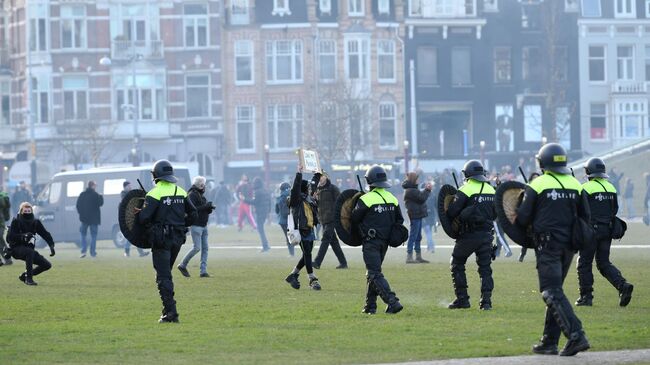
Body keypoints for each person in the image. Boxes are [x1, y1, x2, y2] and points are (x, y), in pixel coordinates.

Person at [516, 143, 590, 356]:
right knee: (556, 291)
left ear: (542, 162)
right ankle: (549, 342)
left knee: (550, 291)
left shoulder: (537, 184)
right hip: (569, 247)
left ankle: (576, 335)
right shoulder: (576, 184)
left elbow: (522, 218)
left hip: (547, 245)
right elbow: (586, 217)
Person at [137, 160, 197, 323]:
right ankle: (167, 310)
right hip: (177, 240)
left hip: (161, 241)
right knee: (166, 274)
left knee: (163, 277)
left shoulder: (154, 194)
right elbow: (194, 215)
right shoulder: (181, 191)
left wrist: (141, 209)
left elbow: (143, 218)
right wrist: (181, 223)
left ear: (156, 175)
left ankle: (171, 313)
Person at [575, 158, 634, 307]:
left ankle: (586, 297)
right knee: (603, 263)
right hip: (607, 230)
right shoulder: (611, 187)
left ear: (588, 171)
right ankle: (623, 285)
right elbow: (614, 210)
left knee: (584, 263)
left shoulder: (586, 188)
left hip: (591, 231)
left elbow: (580, 210)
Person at [351, 165, 404, 314]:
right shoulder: (392, 198)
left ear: (369, 181)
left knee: (373, 274)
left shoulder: (366, 199)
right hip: (385, 243)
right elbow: (399, 220)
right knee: (374, 272)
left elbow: (354, 218)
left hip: (371, 242)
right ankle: (370, 306)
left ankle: (392, 301)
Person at [445, 160, 496, 310]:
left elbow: (452, 212)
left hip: (468, 235)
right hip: (487, 235)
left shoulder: (465, 189)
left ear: (467, 174)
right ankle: (486, 302)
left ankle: (463, 300)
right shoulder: (491, 190)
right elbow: (495, 214)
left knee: (457, 263)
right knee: (485, 268)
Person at [284, 165, 321, 291]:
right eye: (308, 187)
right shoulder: (295, 199)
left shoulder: (308, 198)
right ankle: (312, 279)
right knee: (308, 254)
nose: (310, 188)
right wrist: (299, 174)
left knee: (307, 254)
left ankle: (293, 275)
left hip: (309, 229)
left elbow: (314, 185)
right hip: (301, 230)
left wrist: (318, 174)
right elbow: (295, 188)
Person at [6, 202, 55, 285]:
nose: (27, 213)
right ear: (21, 211)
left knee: (47, 265)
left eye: (29, 211)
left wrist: (51, 246)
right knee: (29, 252)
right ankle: (29, 279)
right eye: (25, 211)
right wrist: (23, 236)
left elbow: (45, 234)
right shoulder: (16, 221)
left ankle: (24, 276)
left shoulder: (35, 222)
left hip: (29, 250)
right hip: (16, 249)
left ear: (32, 211)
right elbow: (10, 237)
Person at [178, 176, 214, 278]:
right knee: (197, 248)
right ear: (201, 185)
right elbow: (192, 209)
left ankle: (203, 271)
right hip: (196, 225)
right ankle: (182, 264)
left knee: (205, 248)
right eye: (204, 184)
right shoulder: (192, 195)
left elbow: (201, 208)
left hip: (204, 225)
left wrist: (209, 209)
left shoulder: (200, 195)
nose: (205, 186)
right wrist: (205, 207)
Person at [313, 173, 348, 269]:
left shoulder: (333, 188)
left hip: (332, 219)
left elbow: (341, 201)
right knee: (334, 242)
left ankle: (317, 262)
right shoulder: (317, 190)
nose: (320, 178)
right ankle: (343, 263)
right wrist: (315, 200)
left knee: (325, 239)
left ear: (326, 177)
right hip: (323, 219)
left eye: (322, 176)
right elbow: (317, 205)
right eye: (319, 177)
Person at [402, 172, 432, 264]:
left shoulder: (412, 190)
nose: (418, 181)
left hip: (417, 215)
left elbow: (419, 196)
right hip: (415, 216)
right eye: (417, 179)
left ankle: (418, 256)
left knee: (418, 236)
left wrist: (426, 190)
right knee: (413, 236)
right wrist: (427, 190)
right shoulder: (410, 190)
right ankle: (409, 256)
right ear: (413, 179)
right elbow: (421, 198)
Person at [242, 177, 272, 252]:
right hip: (265, 212)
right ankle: (266, 245)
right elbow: (270, 202)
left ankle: (265, 246)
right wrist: (268, 212)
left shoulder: (257, 191)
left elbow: (255, 202)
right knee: (261, 229)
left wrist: (244, 199)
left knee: (260, 230)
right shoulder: (266, 191)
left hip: (260, 212)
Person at [121, 181, 149, 258]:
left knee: (136, 234)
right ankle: (127, 252)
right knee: (131, 235)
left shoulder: (130, 194)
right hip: (129, 218)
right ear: (125, 186)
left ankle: (140, 252)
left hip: (134, 216)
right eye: (129, 186)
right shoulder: (124, 194)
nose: (130, 187)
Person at [76, 180, 104, 258]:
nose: (96, 187)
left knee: (83, 234)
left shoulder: (82, 194)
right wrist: (101, 196)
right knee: (94, 236)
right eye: (95, 185)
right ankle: (92, 252)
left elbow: (78, 205)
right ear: (92, 186)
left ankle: (83, 251)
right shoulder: (96, 195)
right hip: (94, 220)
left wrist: (81, 214)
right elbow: (101, 204)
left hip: (84, 219)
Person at [275, 182, 294, 256]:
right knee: (292, 236)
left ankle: (291, 253)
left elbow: (276, 210)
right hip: (290, 218)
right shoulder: (291, 195)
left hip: (282, 220)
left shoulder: (279, 197)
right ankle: (292, 253)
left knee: (288, 237)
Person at [422, 176, 438, 254]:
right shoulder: (433, 195)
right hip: (431, 216)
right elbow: (436, 206)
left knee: (428, 233)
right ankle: (429, 247)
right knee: (429, 232)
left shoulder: (424, 195)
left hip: (425, 216)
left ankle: (432, 248)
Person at [0, 186, 13, 266]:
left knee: (0, 241)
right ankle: (7, 260)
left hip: (1, 223)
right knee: (1, 241)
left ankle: (8, 260)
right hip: (1, 222)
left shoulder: (2, 199)